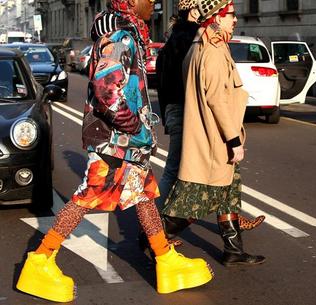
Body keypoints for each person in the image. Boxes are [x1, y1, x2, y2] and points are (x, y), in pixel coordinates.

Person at [15, 0, 213, 302]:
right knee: (89, 196)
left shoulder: (128, 34)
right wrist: (132, 126)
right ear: (132, 2)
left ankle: (165, 259)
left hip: (124, 142)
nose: (154, 4)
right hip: (115, 141)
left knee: (144, 194)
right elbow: (107, 88)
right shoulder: (120, 37)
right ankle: (40, 260)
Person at [162, 0, 266, 267]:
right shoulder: (214, 51)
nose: (235, 20)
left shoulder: (200, 45)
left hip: (211, 134)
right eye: (231, 15)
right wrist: (234, 140)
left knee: (228, 192)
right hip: (215, 137)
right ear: (217, 18)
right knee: (196, 198)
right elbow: (217, 100)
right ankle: (156, 237)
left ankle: (233, 249)